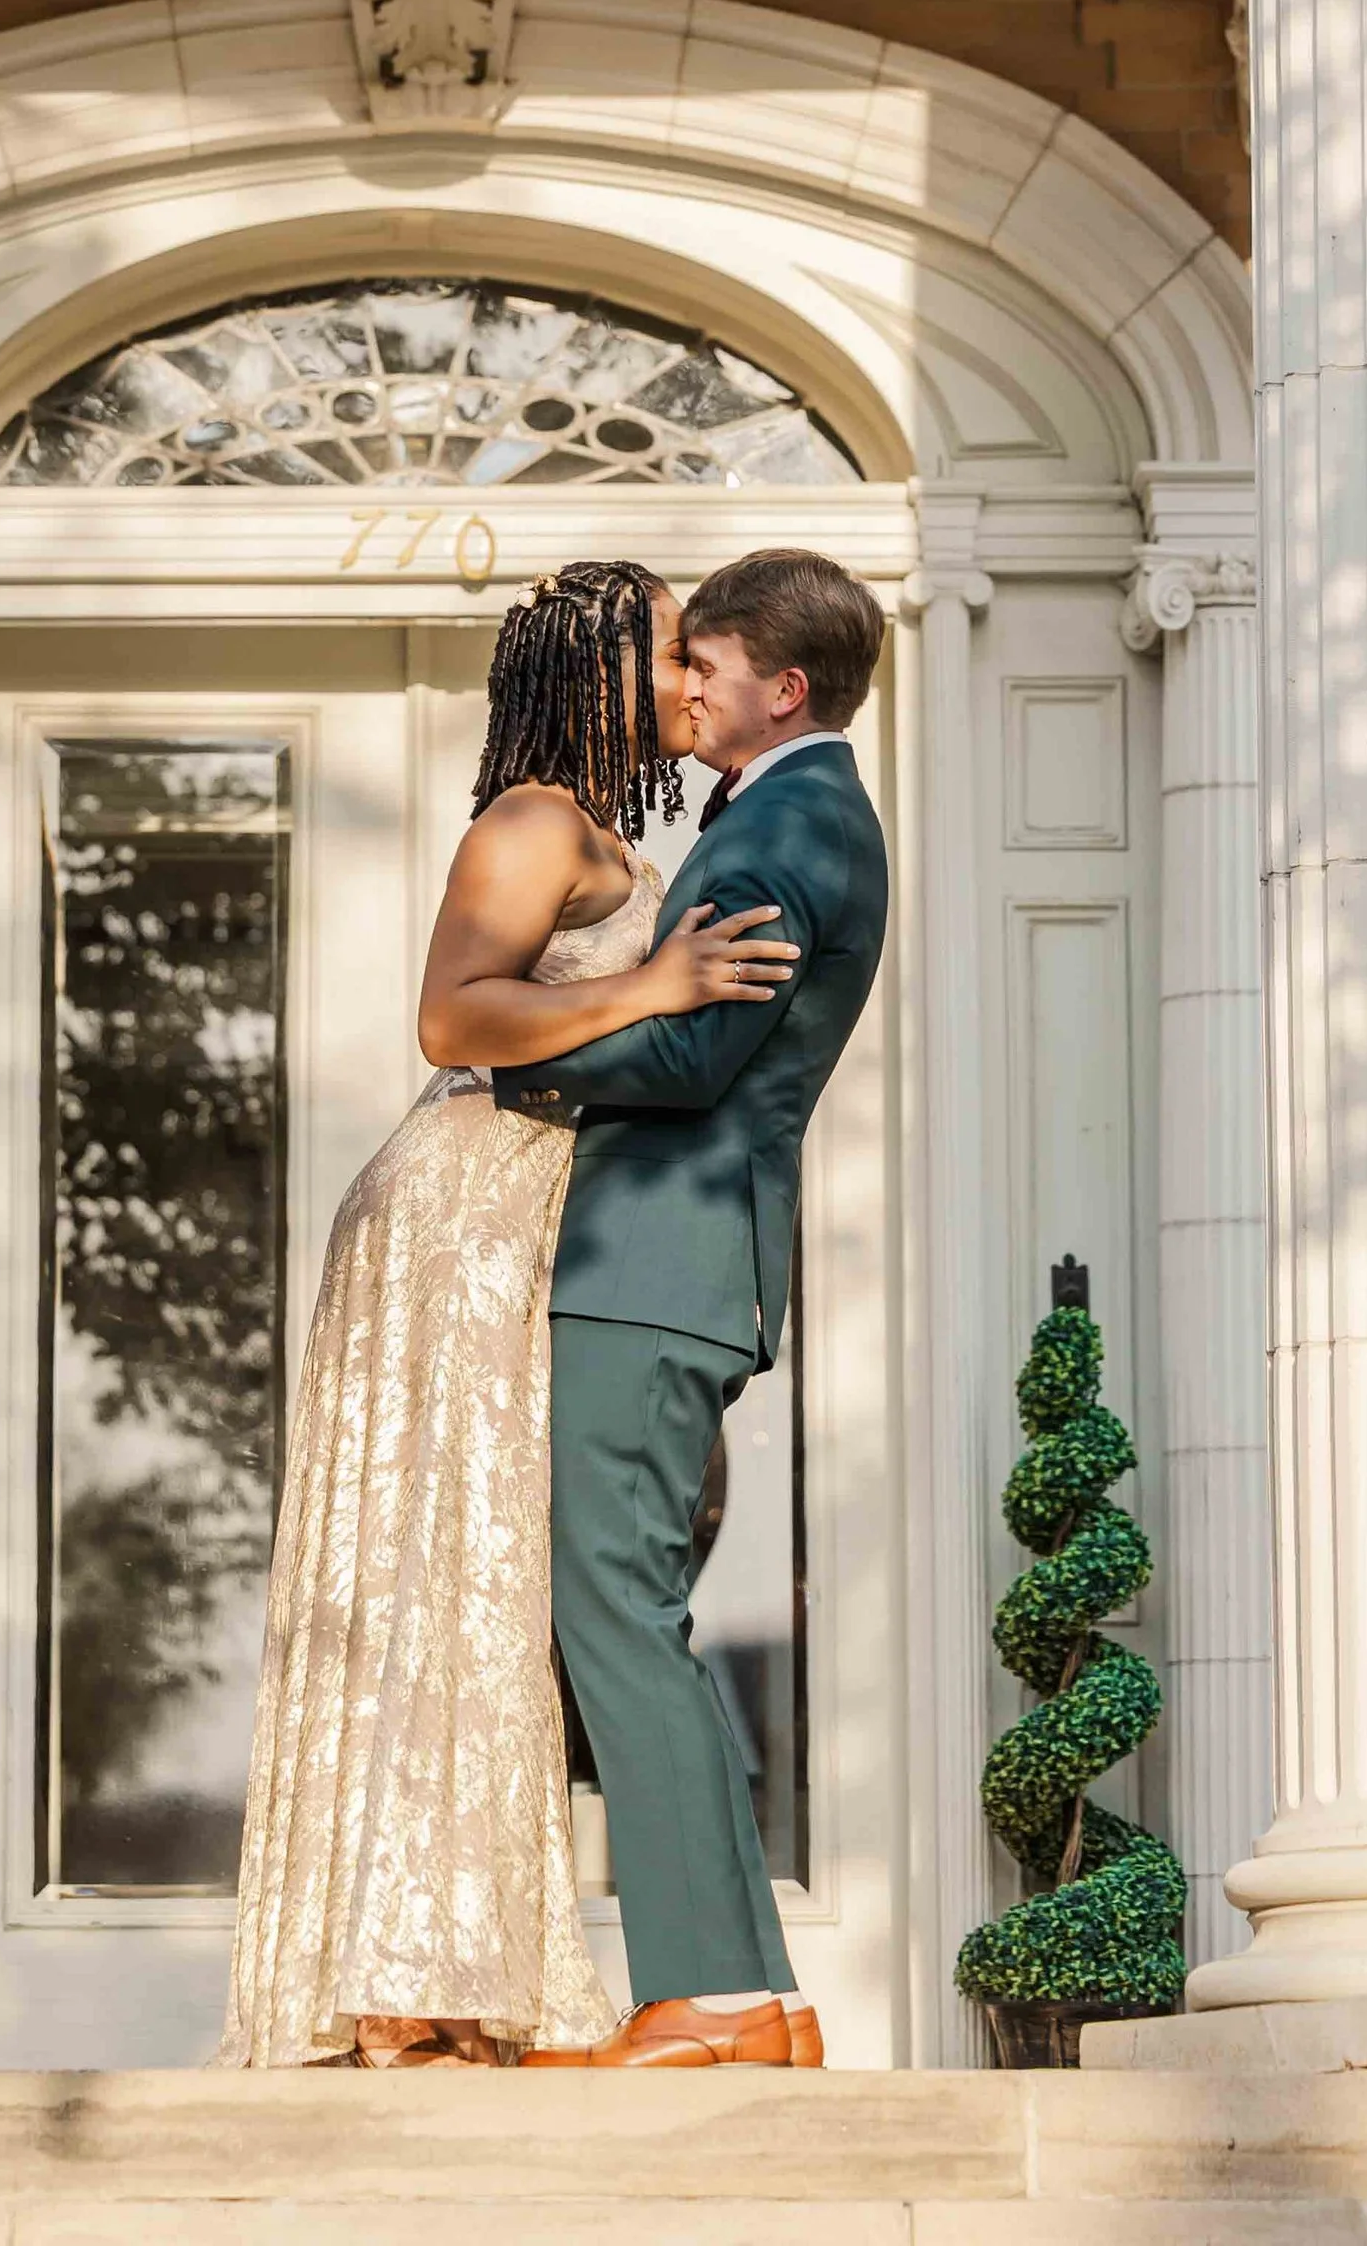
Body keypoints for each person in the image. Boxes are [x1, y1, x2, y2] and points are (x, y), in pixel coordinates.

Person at [213, 559, 797, 2070]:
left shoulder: (603, 833)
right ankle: (405, 1972)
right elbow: (453, 1015)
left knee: (494, 1580)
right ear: (595, 671)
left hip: (543, 1207)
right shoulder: (532, 821)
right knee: (447, 1567)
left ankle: (449, 1960)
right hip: (467, 1209)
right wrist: (657, 983)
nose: (692, 678)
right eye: (670, 651)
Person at [498, 549, 889, 2073]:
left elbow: (690, 1054)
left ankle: (712, 1993)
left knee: (613, 1611)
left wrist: (502, 1061)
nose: (684, 687)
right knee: (631, 1608)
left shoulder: (784, 825)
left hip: (649, 1263)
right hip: (680, 1264)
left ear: (781, 686)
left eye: (704, 663)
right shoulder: (796, 812)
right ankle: (751, 1995)